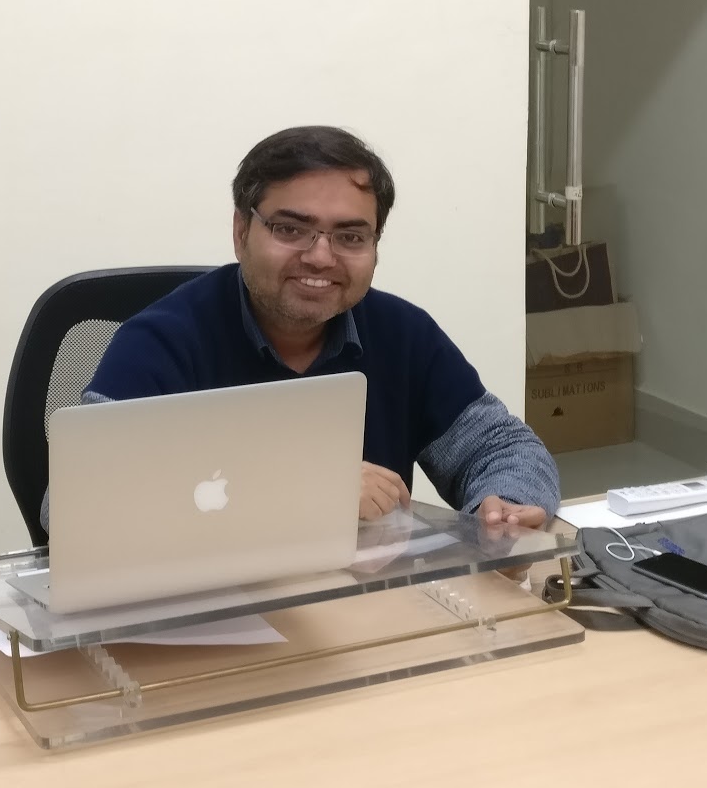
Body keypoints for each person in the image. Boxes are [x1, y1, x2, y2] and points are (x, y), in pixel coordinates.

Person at [41, 125, 559, 534]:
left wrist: (507, 510)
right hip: (206, 608)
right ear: (241, 232)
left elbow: (500, 446)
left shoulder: (403, 333)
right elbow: (72, 502)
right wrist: (306, 488)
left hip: (360, 603)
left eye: (350, 236)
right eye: (290, 229)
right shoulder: (162, 340)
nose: (321, 257)